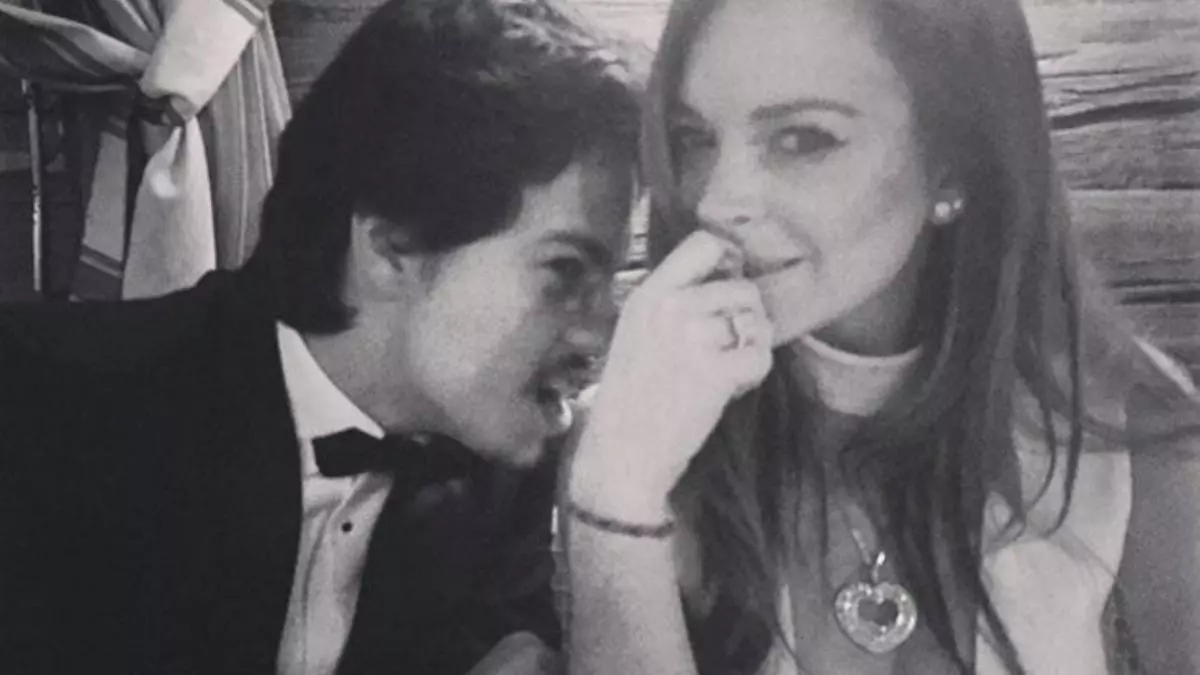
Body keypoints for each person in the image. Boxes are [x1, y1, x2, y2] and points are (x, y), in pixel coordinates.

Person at [560, 0, 1200, 673]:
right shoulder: (633, 436)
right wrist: (618, 494)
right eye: (694, 138)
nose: (717, 200)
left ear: (952, 166)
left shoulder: (1127, 428)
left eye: (802, 139)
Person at [0, 1, 640, 674]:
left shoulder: (510, 474)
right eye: (565, 270)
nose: (601, 332)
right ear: (393, 245)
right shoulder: (42, 407)